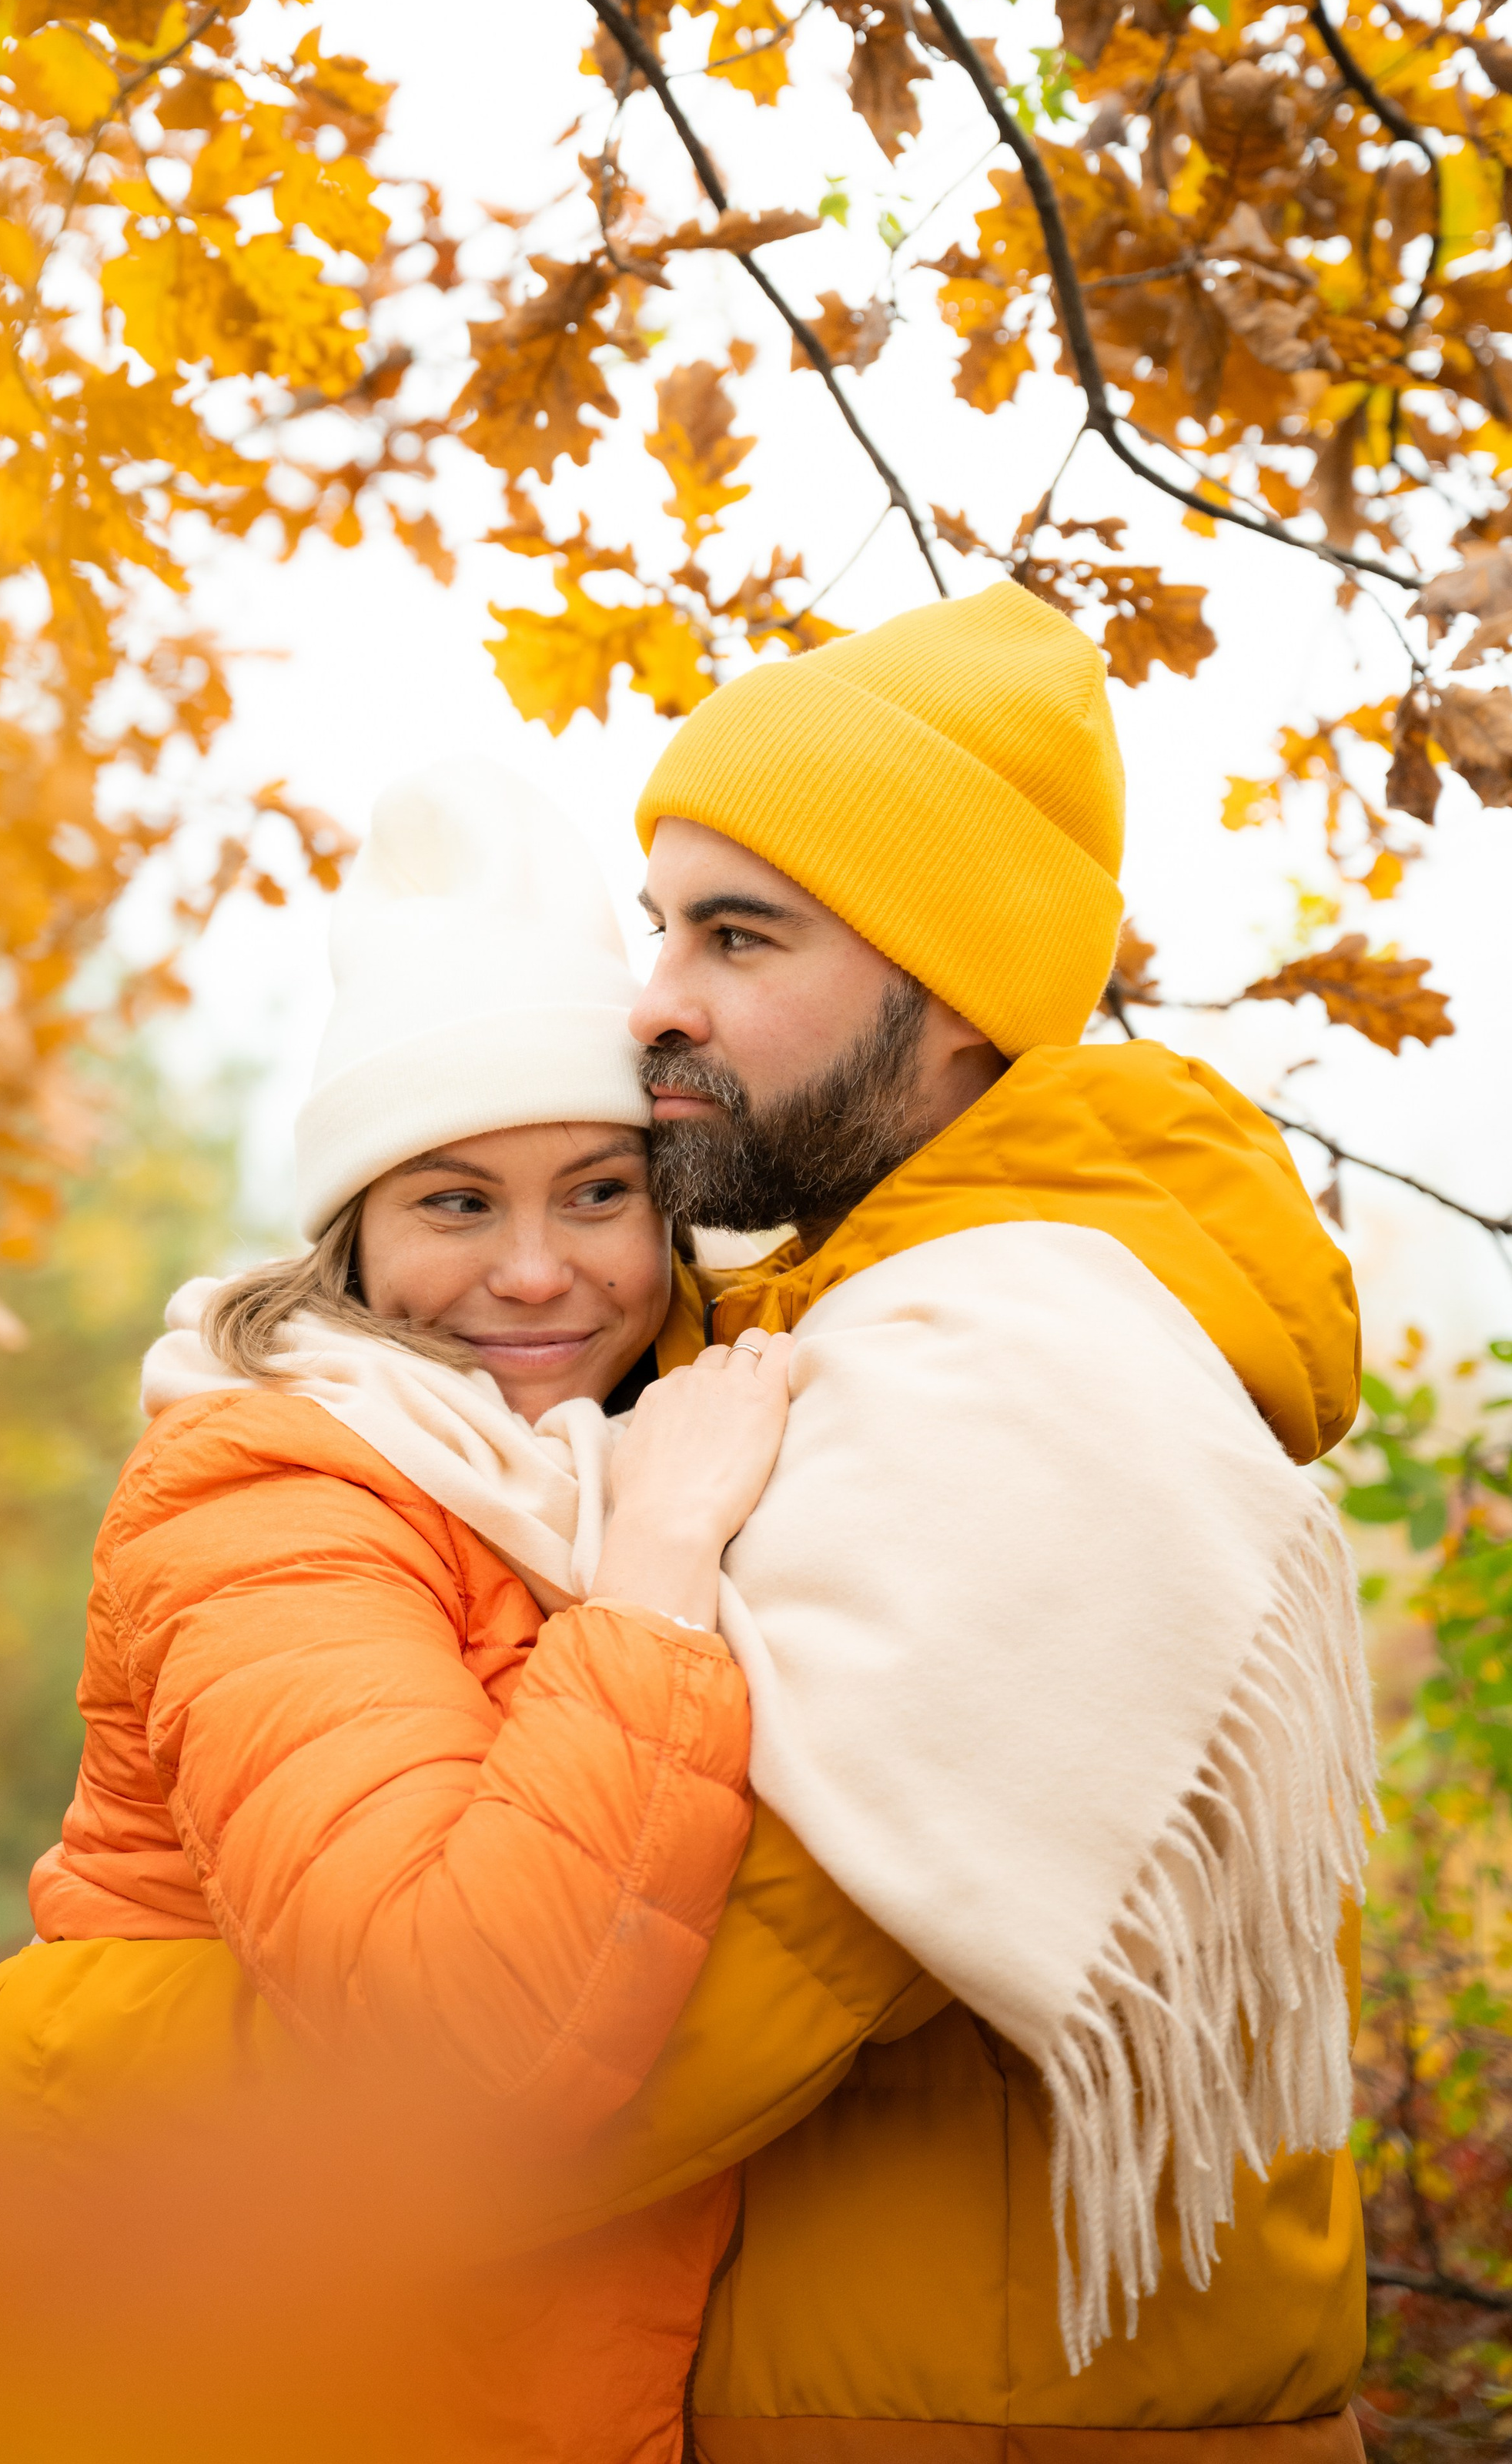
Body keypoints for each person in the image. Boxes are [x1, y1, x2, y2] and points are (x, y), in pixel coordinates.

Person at [0, 759, 795, 2464]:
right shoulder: (271, 1495)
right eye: (455, 1200)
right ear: (356, 1242)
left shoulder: (597, 1450)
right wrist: (661, 1571)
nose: (535, 1271)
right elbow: (460, 2044)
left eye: (597, 1193)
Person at [609, 574, 1373, 2457]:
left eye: (735, 935)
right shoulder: (878, 1320)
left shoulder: (1018, 1370)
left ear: (946, 993)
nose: (656, 1004)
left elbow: (654, 2034)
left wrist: (87, 2090)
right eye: (653, 931)